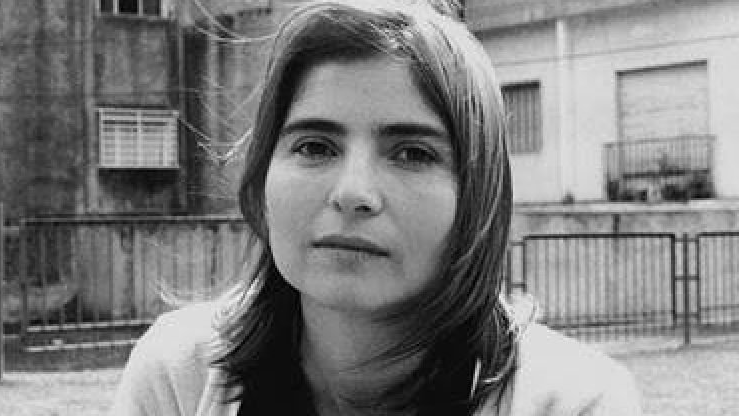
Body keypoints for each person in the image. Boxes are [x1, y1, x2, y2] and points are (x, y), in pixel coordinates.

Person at [111, 1, 642, 415]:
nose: (352, 192)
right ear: (263, 175)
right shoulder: (179, 374)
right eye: (315, 146)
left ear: (477, 196)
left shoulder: (574, 402)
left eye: (412, 154)